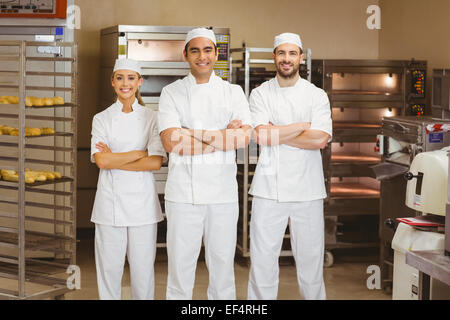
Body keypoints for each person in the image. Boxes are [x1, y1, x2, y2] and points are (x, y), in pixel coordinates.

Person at [158, 27, 253, 300]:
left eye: (208, 50)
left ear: (216, 54)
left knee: (223, 267)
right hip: (183, 194)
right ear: (186, 55)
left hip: (222, 194)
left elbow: (244, 138)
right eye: (195, 50)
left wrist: (190, 133)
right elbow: (170, 143)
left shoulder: (233, 92)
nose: (202, 56)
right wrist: (223, 134)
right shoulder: (172, 92)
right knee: (180, 266)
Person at [247, 32, 332, 300]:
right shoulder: (260, 93)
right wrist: (299, 128)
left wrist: (277, 132)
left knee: (311, 262)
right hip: (268, 189)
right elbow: (260, 136)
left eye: (292, 53)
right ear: (274, 57)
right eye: (281, 53)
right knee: (262, 261)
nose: (287, 59)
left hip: (308, 190)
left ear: (301, 58)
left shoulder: (316, 95)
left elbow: (320, 139)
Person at [90, 58, 167, 300]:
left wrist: (115, 157)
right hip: (109, 205)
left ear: (139, 82)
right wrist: (137, 153)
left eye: (131, 78)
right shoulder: (101, 118)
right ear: (112, 81)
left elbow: (155, 162)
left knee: (143, 272)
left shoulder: (152, 118)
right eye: (120, 78)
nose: (126, 83)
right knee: (109, 271)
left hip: (143, 206)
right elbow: (101, 162)